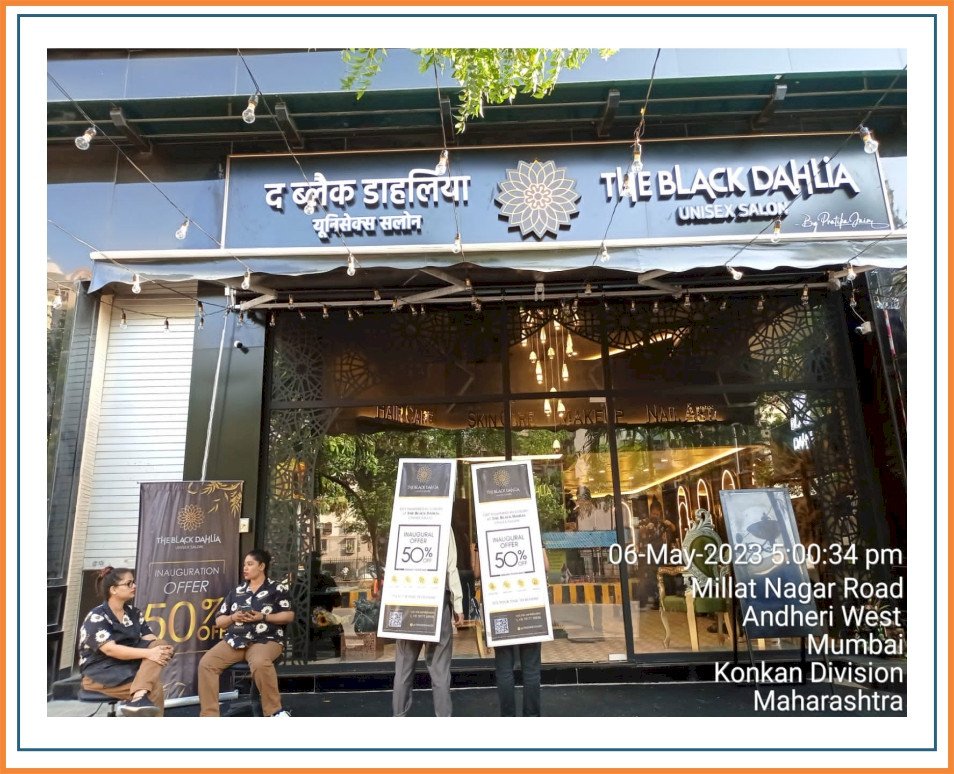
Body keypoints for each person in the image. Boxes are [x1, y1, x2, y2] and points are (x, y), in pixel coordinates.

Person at [198, 548, 294, 717]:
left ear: (261, 566)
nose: (245, 568)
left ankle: (274, 712)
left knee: (259, 662)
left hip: (266, 639)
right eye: (244, 565)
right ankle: (209, 716)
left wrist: (263, 616)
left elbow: (288, 616)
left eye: (250, 564)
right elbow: (219, 621)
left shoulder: (277, 589)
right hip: (236, 640)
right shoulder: (237, 591)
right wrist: (233, 617)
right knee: (206, 664)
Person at [77, 566, 174, 717]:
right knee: (154, 688)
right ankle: (140, 697)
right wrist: (149, 653)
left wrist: (164, 649)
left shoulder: (133, 613)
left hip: (126, 668)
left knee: (160, 644)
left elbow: (150, 639)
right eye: (129, 583)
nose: (134, 586)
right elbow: (110, 650)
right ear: (113, 590)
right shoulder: (97, 616)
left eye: (133, 582)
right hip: (100, 674)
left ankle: (139, 697)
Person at [391, 535, 463, 717]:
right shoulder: (443, 522)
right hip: (437, 600)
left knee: (403, 671)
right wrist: (458, 604)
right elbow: (451, 567)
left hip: (407, 599)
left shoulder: (404, 521)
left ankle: (398, 718)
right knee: (440, 672)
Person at [489, 551, 550, 716]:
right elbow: (545, 565)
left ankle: (508, 717)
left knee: (504, 669)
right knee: (531, 669)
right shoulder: (532, 533)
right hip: (528, 601)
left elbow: (478, 572)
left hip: (500, 602)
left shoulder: (484, 533)